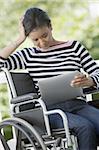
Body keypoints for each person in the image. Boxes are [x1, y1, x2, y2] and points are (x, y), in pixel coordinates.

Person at [0, 7, 99, 150]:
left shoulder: (74, 48)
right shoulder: (28, 55)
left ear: (51, 27)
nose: (42, 42)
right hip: (50, 111)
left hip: (78, 105)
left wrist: (90, 81)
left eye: (44, 35)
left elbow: (97, 72)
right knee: (85, 127)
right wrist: (19, 39)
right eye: (35, 39)